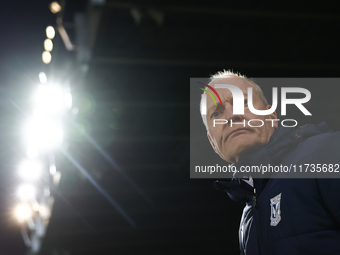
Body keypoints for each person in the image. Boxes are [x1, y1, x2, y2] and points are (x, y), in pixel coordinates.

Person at [200, 70, 340, 255]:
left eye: (244, 103)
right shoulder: (247, 216)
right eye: (216, 113)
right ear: (213, 143)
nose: (232, 115)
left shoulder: (325, 151)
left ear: (272, 118)